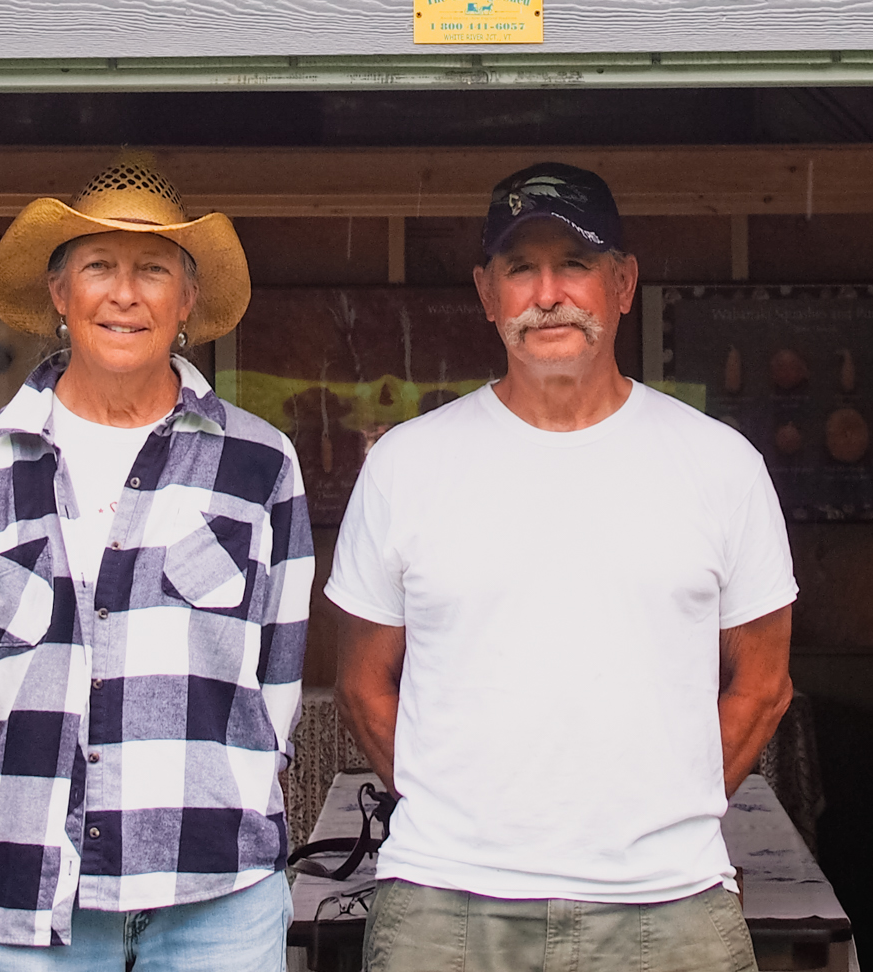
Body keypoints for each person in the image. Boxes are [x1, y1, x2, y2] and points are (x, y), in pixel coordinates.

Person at [330, 162, 796, 972]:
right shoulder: (406, 465)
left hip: (669, 906)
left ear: (622, 284)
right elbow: (365, 686)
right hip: (447, 908)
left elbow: (763, 686)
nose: (550, 292)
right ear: (487, 292)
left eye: (575, 264)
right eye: (521, 268)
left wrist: (662, 814)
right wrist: (466, 817)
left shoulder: (721, 465)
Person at [0, 156, 311, 968]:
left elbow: (278, 686)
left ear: (186, 301)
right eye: (99, 267)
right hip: (28, 902)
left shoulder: (260, 465)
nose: (125, 294)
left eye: (153, 270)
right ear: (60, 294)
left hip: (217, 900)